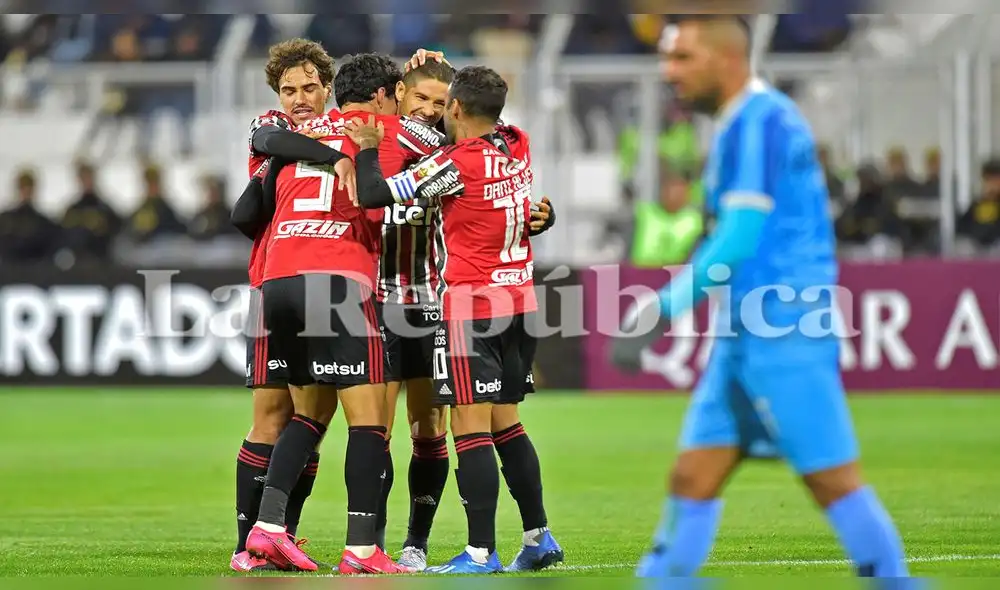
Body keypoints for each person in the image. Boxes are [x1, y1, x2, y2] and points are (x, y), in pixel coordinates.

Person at [608, 16, 908, 578]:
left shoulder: (758, 121)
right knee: (693, 477)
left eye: (682, 59)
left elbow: (739, 235)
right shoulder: (740, 122)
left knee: (832, 481)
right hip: (743, 337)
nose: (667, 72)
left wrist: (662, 308)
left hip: (787, 330)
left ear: (727, 58)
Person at [347, 65, 557, 575]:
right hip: (520, 301)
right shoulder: (516, 145)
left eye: (444, 104)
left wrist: (371, 146)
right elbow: (521, 207)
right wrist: (543, 217)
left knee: (469, 429)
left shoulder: (454, 165)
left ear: (456, 108)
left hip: (471, 305)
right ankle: (538, 536)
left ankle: (480, 552)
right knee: (507, 424)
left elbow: (376, 194)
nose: (435, 113)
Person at [228, 38, 346, 574]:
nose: (299, 98)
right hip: (271, 279)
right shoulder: (269, 126)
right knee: (270, 415)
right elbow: (272, 137)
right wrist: (334, 156)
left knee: (309, 415)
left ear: (327, 87)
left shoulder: (348, 125)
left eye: (309, 87)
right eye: (289, 89)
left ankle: (282, 533)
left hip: (321, 283)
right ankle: (244, 542)